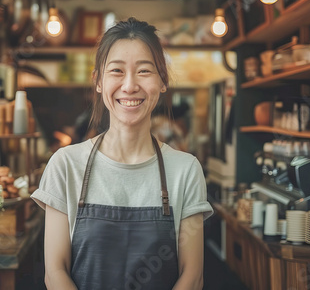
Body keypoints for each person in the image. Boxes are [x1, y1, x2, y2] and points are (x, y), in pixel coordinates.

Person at [31, 17, 213, 290]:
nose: (129, 86)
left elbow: (192, 276)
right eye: (116, 70)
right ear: (98, 81)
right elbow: (55, 272)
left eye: (144, 71)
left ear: (163, 81)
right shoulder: (65, 165)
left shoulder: (185, 170)